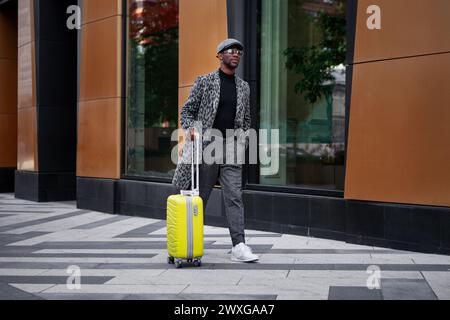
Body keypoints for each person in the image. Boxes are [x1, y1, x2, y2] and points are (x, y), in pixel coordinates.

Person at [172, 38, 258, 263]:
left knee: (234, 197)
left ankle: (239, 245)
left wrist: (242, 142)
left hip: (231, 147)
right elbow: (187, 111)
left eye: (239, 51)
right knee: (199, 199)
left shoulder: (243, 87)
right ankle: (189, 243)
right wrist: (191, 129)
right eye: (230, 51)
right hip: (207, 145)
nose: (235, 54)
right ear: (219, 55)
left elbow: (246, 119)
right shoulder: (205, 82)